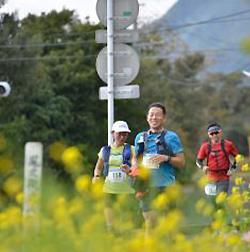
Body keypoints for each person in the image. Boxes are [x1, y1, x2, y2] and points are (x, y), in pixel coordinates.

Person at [134, 102, 185, 238]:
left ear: (164, 118)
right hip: (146, 187)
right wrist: (135, 169)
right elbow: (135, 159)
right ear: (147, 117)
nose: (154, 118)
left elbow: (181, 162)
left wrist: (165, 158)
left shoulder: (171, 137)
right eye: (151, 115)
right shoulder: (140, 137)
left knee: (168, 225)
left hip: (167, 186)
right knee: (150, 223)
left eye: (157, 115)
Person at [92, 120, 137, 234]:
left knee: (125, 224)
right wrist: (96, 177)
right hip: (109, 190)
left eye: (125, 134)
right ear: (113, 133)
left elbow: (136, 169)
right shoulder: (105, 150)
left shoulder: (131, 149)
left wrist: (130, 170)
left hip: (126, 191)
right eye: (119, 133)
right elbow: (98, 167)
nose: (122, 137)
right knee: (110, 226)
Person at [196, 123, 239, 199]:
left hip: (223, 177)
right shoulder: (205, 146)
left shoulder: (228, 145)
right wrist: (203, 167)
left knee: (221, 201)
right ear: (209, 135)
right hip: (210, 178)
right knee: (211, 202)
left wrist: (232, 169)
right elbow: (198, 161)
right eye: (212, 134)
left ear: (221, 132)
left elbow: (238, 158)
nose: (214, 135)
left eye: (216, 133)